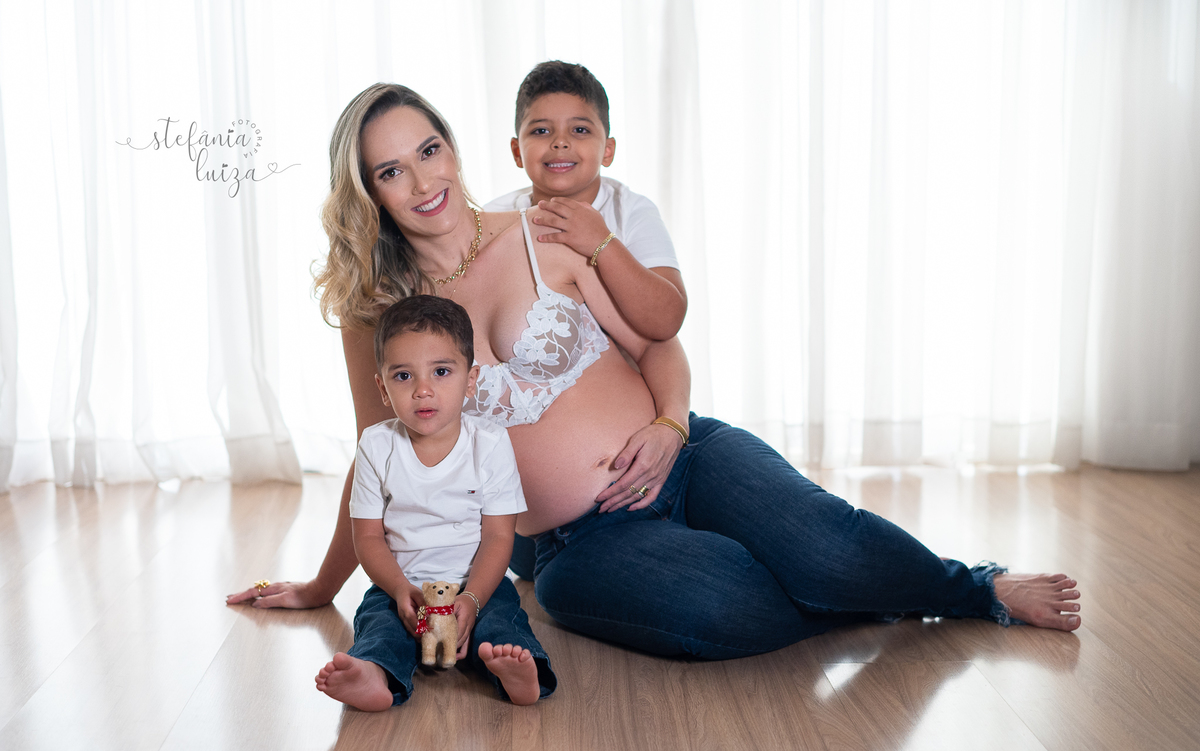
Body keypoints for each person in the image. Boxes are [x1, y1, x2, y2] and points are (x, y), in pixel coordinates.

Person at [228, 83, 1082, 661]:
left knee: (827, 542)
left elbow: (656, 340)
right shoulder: (379, 315)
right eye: (391, 170)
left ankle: (974, 588)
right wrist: (320, 585)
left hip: (686, 455)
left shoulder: (544, 228)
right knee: (725, 609)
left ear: (453, 146)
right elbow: (374, 463)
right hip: (574, 542)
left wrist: (672, 425)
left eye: (429, 149)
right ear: (369, 192)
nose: (422, 181)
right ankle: (861, 592)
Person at [314, 295, 555, 709]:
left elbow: (499, 537)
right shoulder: (376, 445)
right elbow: (367, 537)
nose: (422, 390)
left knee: (502, 621)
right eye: (403, 376)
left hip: (476, 584)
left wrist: (472, 599)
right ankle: (375, 674)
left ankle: (518, 671)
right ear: (382, 388)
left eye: (441, 372)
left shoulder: (490, 443)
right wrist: (399, 588)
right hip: (402, 585)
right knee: (378, 622)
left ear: (470, 379)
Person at [484, 61, 686, 341]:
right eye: (541, 131)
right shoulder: (494, 219)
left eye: (579, 130)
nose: (560, 142)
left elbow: (667, 320)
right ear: (517, 152)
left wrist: (602, 243)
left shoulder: (630, 211)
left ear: (607, 151)